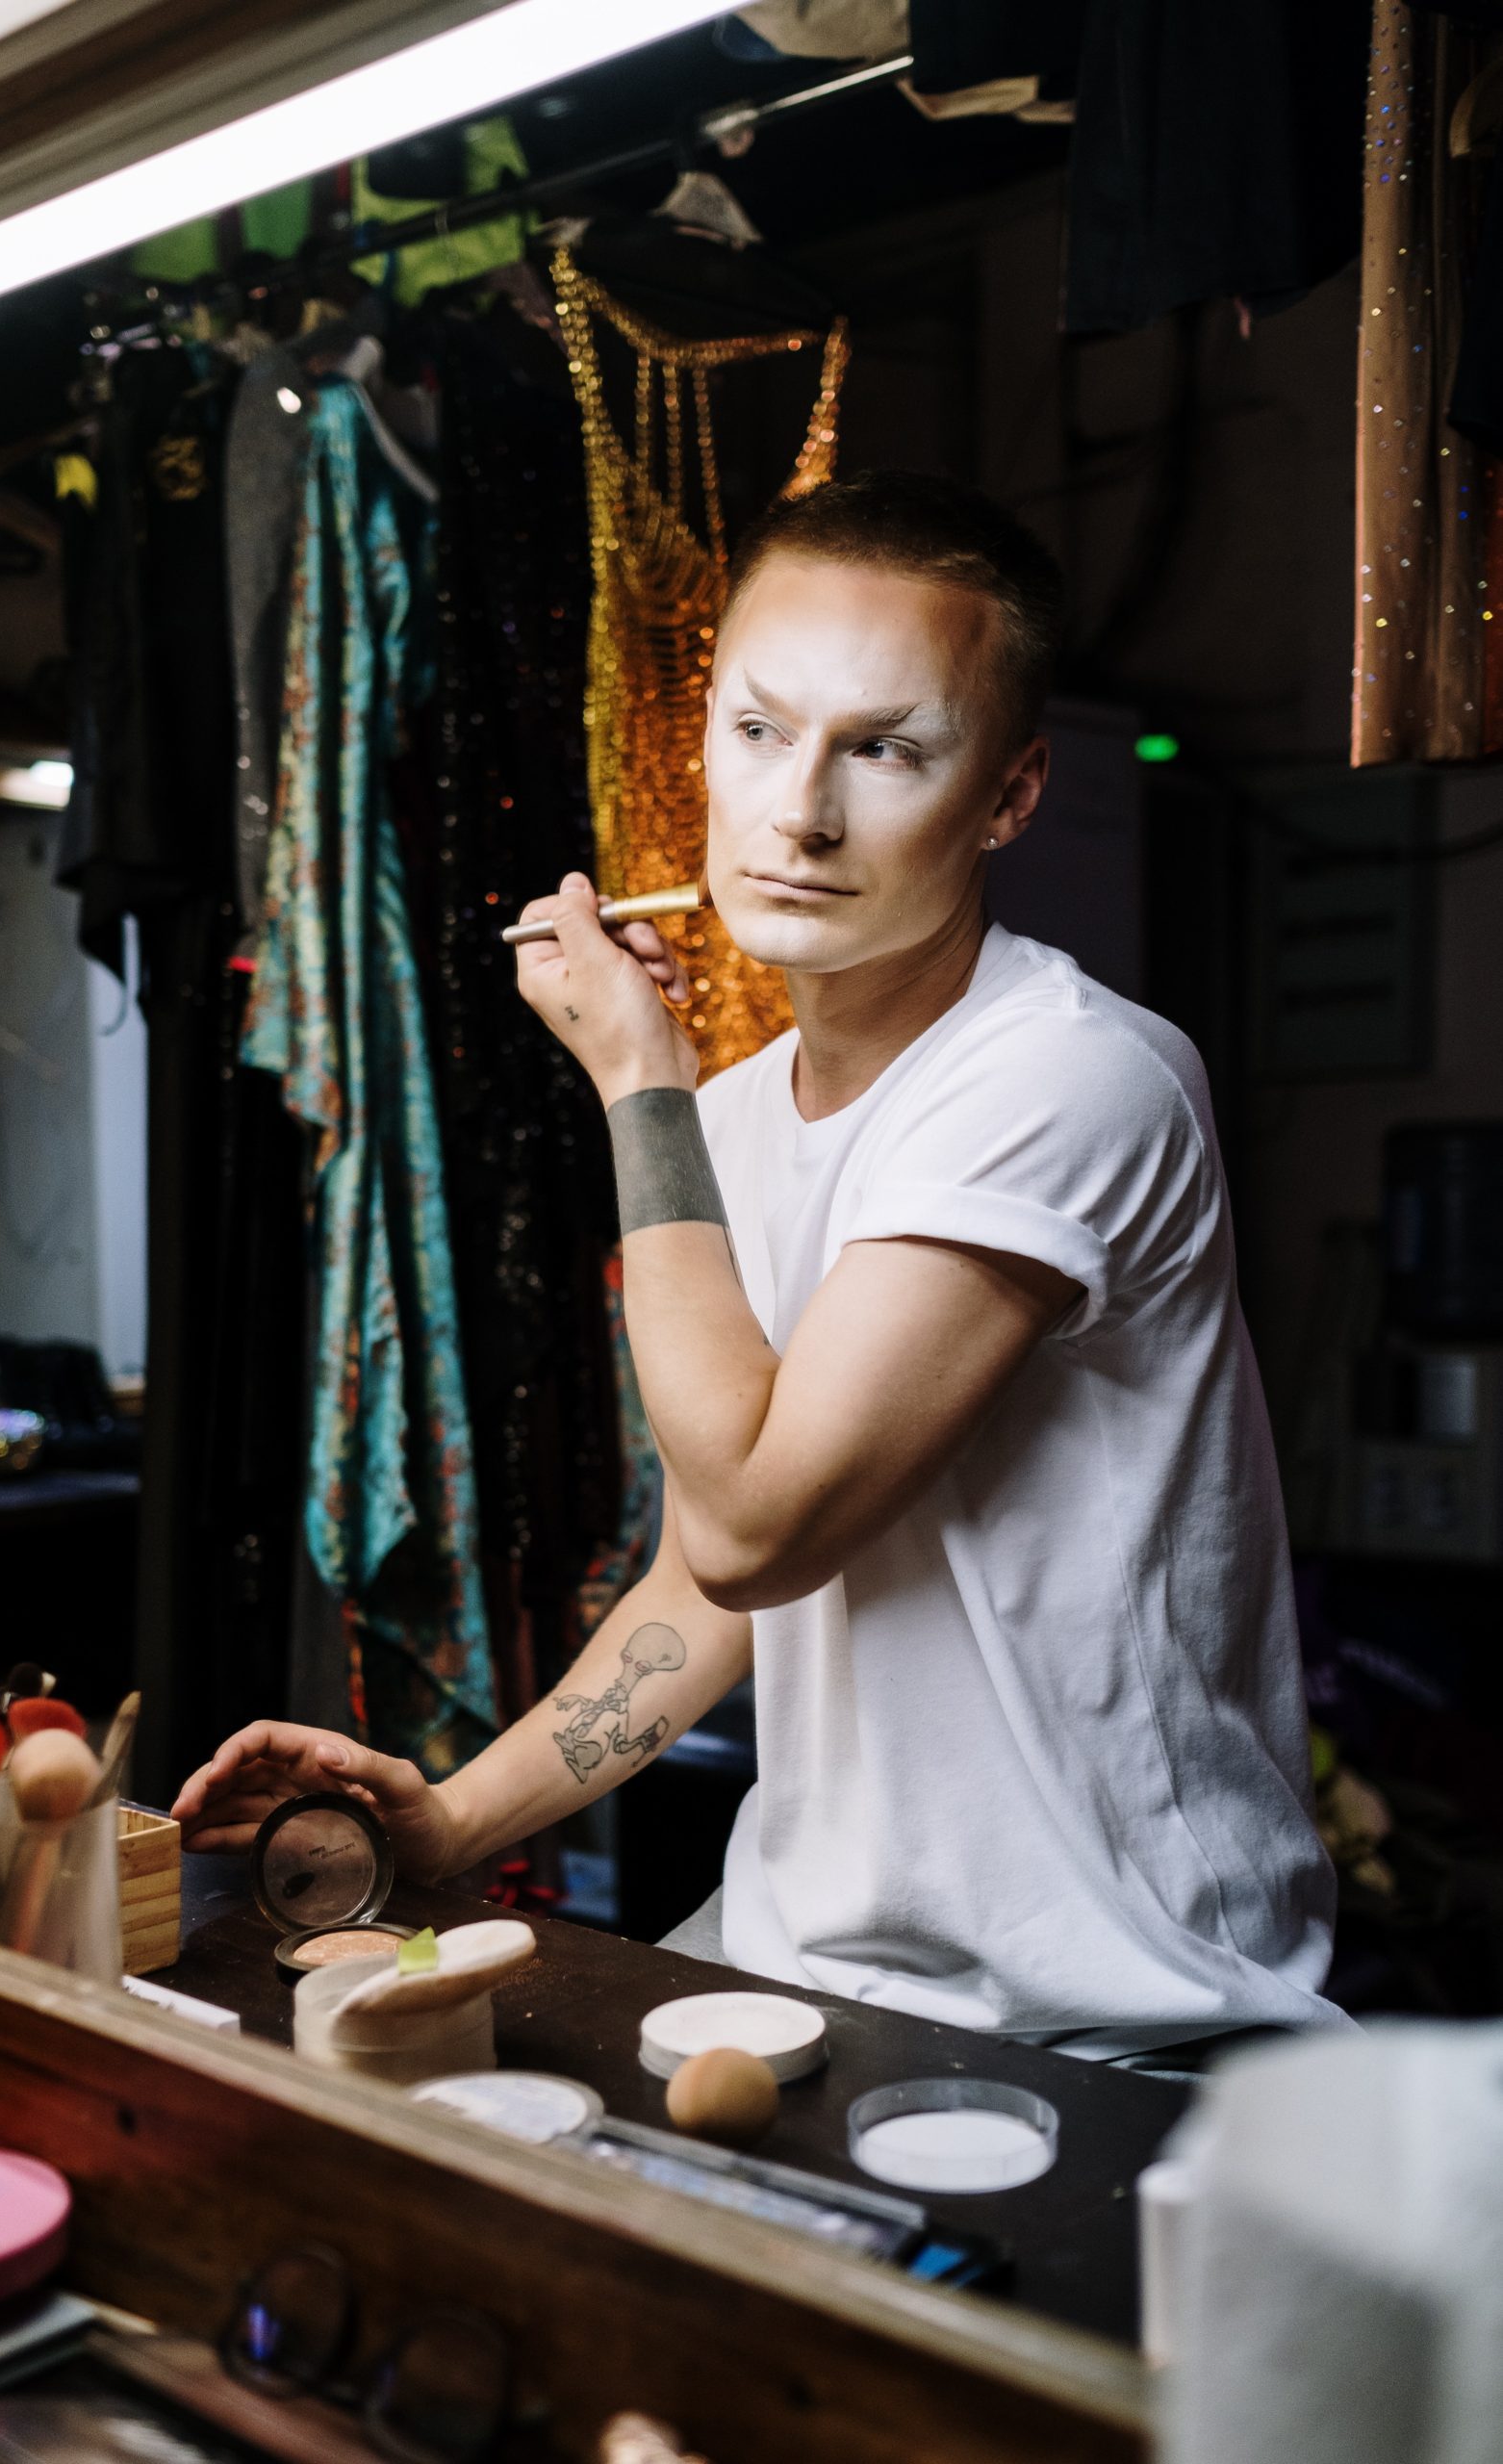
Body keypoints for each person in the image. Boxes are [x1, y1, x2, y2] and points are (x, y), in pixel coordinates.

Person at [175, 471, 1343, 2063]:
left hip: (1108, 2003)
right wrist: (449, 1820)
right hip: (805, 1960)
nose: (799, 812)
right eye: (758, 730)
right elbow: (702, 1589)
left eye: (886, 749)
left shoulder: (1072, 1078)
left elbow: (755, 1527)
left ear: (1008, 796)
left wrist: (638, 1086)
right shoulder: (727, 1117)